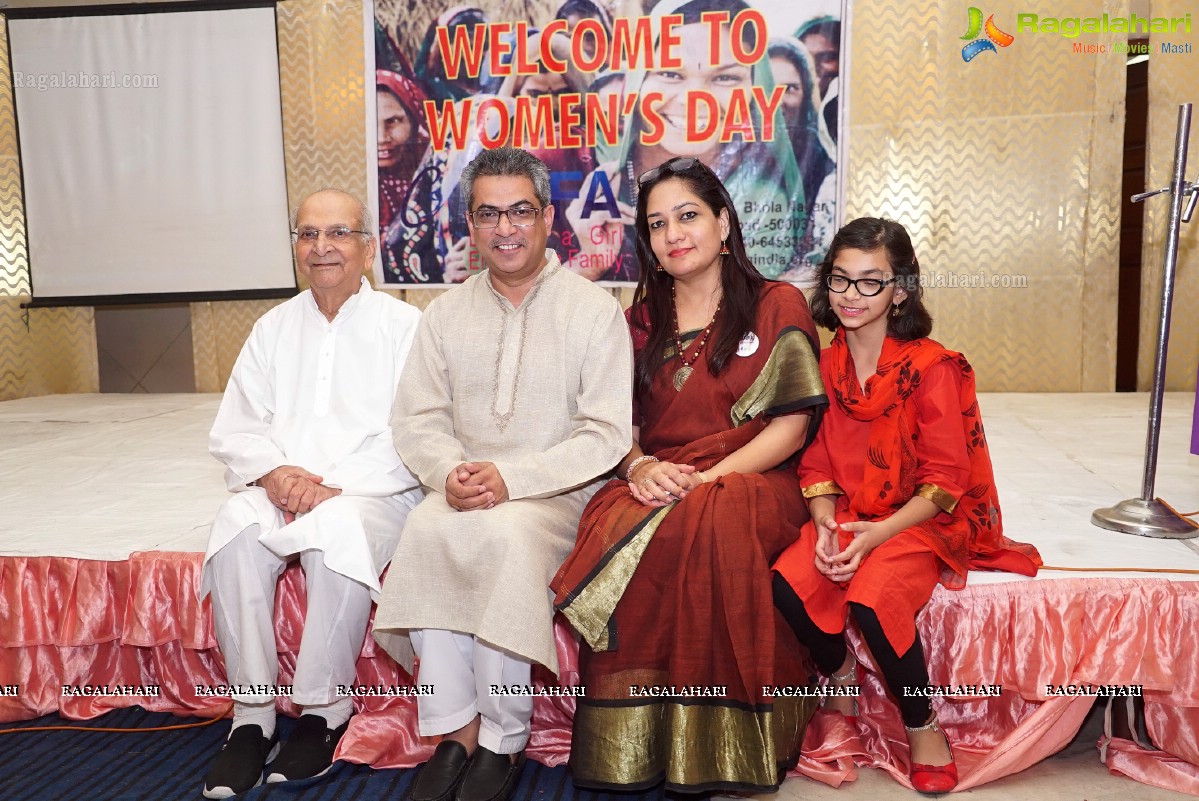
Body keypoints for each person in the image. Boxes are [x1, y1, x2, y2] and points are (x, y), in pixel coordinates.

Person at [551, 157, 828, 793]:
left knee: (714, 517)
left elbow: (790, 428)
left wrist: (704, 482)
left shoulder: (773, 303)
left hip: (756, 476)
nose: (674, 234)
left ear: (723, 222)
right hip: (662, 476)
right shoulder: (641, 319)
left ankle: (727, 744)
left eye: (688, 216)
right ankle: (640, 741)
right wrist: (640, 467)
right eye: (656, 224)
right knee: (617, 518)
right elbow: (617, 427)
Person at [372, 147, 632, 801]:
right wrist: (447, 473)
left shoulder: (593, 311)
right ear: (469, 224)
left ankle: (502, 737)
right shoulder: (444, 315)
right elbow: (416, 421)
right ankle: (452, 729)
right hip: (464, 487)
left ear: (548, 218)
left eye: (520, 211)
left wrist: (510, 479)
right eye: (488, 214)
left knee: (506, 537)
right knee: (427, 527)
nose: (505, 228)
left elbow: (605, 435)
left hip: (558, 495)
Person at [770, 217, 1042, 794]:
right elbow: (815, 464)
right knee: (788, 581)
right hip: (850, 514)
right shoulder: (824, 364)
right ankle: (840, 674)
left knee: (873, 597)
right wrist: (824, 524)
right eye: (840, 279)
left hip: (921, 519)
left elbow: (947, 478)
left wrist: (877, 534)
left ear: (902, 289)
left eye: (871, 281)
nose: (851, 295)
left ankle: (922, 723)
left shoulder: (932, 367)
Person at [200, 190, 424, 798]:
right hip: (283, 485)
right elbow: (239, 427)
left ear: (368, 246)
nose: (322, 246)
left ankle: (325, 709)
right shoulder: (273, 327)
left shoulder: (405, 328)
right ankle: (252, 716)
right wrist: (276, 476)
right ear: (296, 246)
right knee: (236, 524)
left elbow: (414, 431)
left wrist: (331, 486)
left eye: (339, 232)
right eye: (307, 234)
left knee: (339, 529)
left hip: (373, 491)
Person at [565, 0, 803, 281]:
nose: (694, 100)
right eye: (669, 74)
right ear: (637, 82)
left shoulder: (763, 198)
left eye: (726, 77)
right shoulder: (605, 182)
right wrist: (590, 261)